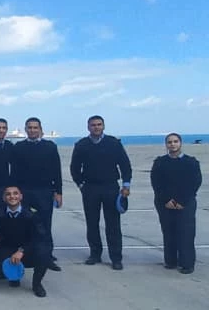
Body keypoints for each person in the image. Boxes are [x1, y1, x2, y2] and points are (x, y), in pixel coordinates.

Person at [70, 115, 132, 270]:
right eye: (93, 125)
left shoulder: (113, 143)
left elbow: (125, 165)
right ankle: (95, 254)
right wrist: (81, 185)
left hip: (110, 187)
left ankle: (116, 258)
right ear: (88, 127)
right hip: (90, 189)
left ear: (103, 126)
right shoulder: (81, 145)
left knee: (113, 224)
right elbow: (74, 168)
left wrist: (126, 185)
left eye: (99, 124)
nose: (96, 127)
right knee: (92, 223)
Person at [0, 185, 49, 297]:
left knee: (44, 251)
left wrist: (22, 250)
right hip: (7, 249)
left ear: (21, 196)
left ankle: (37, 284)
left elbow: (40, 237)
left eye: (15, 193)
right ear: (4, 198)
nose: (12, 196)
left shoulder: (31, 214)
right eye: (8, 194)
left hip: (27, 250)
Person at [10, 117, 63, 272]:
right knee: (24, 225)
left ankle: (47, 257)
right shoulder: (19, 147)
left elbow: (57, 171)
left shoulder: (50, 147)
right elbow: (14, 171)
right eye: (30, 127)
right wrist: (15, 192)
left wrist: (58, 192)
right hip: (24, 192)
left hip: (44, 192)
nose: (32, 130)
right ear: (25, 129)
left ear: (40, 129)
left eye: (35, 127)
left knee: (45, 225)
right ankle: (25, 255)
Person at [150, 133, 202, 274]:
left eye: (175, 141)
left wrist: (181, 201)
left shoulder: (191, 162)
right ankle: (170, 261)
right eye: (169, 142)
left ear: (180, 143)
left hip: (186, 203)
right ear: (166, 144)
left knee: (186, 233)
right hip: (164, 203)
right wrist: (167, 200)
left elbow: (195, 182)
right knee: (168, 231)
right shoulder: (160, 162)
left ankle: (187, 263)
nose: (172, 144)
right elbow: (156, 183)